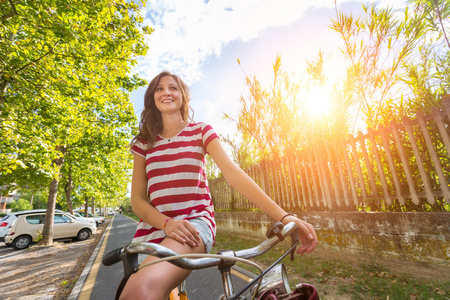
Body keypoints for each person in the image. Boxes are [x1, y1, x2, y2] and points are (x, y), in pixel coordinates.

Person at [120, 71, 318, 300]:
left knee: (140, 291)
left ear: (183, 96)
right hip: (155, 227)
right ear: (152, 98)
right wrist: (166, 224)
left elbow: (233, 174)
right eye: (159, 88)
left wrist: (284, 217)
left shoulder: (201, 131)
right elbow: (137, 200)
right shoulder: (143, 143)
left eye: (173, 87)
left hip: (193, 223)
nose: (166, 92)